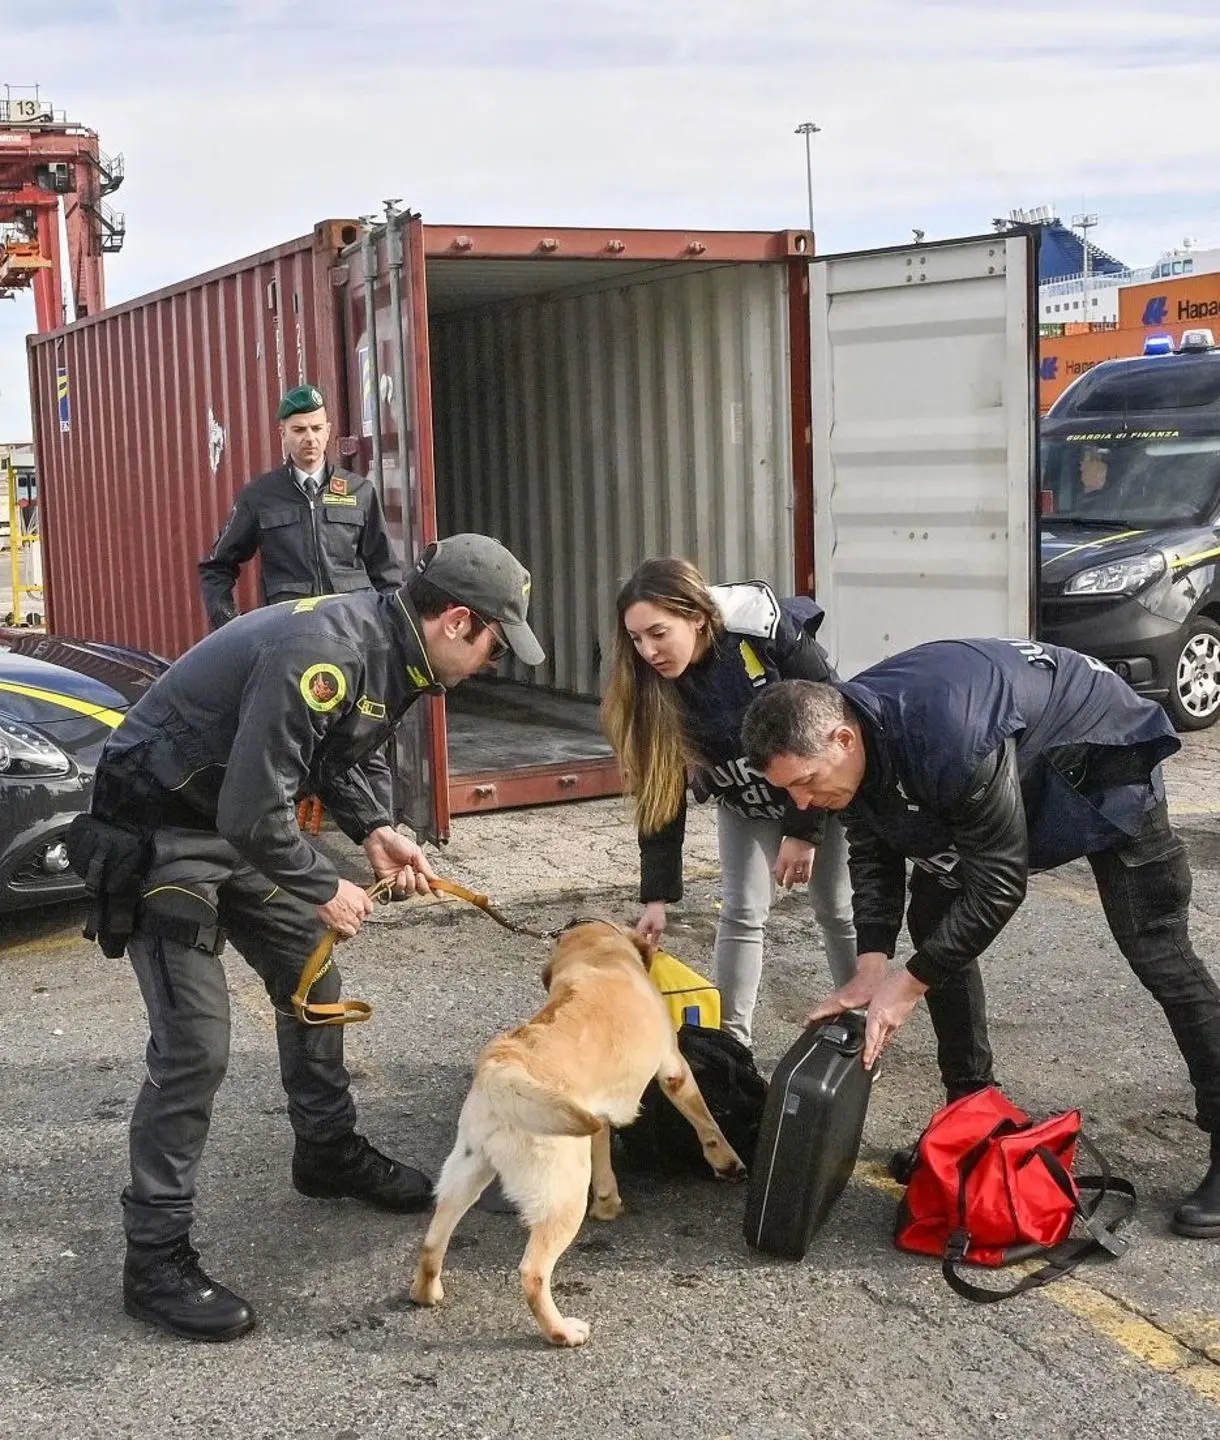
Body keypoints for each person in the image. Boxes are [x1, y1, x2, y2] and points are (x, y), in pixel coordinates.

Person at [76, 534, 545, 1342]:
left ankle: (325, 1153)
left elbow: (325, 751)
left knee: (311, 980)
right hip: (162, 828)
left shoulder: (391, 648)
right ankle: (152, 1258)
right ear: (457, 620)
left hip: (229, 820)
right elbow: (254, 810)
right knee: (196, 1047)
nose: (494, 659)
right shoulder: (326, 651)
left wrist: (377, 830)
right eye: (494, 642)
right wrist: (324, 885)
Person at [740, 635, 1220, 1237]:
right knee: (936, 925)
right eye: (789, 791)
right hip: (1010, 761)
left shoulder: (948, 737)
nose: (803, 802)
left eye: (806, 782)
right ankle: (973, 1115)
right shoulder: (850, 743)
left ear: (843, 739)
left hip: (1100, 756)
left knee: (1161, 955)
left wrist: (908, 984)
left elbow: (999, 883)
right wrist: (870, 966)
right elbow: (873, 851)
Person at [600, 558, 856, 1049]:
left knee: (836, 908)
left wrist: (804, 830)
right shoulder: (650, 684)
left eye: (658, 633)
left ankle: (859, 1021)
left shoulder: (761, 637)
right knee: (741, 911)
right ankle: (732, 1045)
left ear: (697, 616)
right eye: (635, 639)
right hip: (743, 800)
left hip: (815, 788)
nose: (648, 650)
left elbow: (834, 732)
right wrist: (656, 898)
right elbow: (661, 793)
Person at [198, 383, 402, 631]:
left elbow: (385, 572)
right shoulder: (260, 496)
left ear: (328, 431)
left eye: (316, 428)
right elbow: (216, 567)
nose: (310, 438)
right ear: (282, 433)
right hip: (290, 633)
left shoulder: (359, 492)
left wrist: (392, 629)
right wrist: (228, 624)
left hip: (353, 630)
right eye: (299, 430)